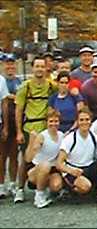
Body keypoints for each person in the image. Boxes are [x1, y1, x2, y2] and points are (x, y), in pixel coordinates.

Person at [56, 108, 97, 203]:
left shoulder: (94, 136)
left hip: (89, 167)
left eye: (87, 119)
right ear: (77, 122)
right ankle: (70, 190)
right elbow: (59, 163)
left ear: (91, 121)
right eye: (81, 120)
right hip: (73, 170)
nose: (84, 122)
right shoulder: (70, 139)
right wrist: (71, 171)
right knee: (85, 187)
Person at [14, 56, 57, 203]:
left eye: (42, 66)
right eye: (37, 66)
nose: (39, 69)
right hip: (29, 128)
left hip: (46, 129)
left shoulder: (51, 86)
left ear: (46, 68)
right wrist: (19, 131)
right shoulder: (25, 87)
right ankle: (19, 189)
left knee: (46, 160)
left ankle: (42, 188)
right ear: (32, 68)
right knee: (25, 160)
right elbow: (19, 110)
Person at [25, 110, 64, 208]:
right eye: (51, 121)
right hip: (37, 169)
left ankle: (46, 189)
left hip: (52, 169)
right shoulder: (42, 136)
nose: (53, 124)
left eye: (56, 121)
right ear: (46, 122)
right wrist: (32, 142)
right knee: (45, 165)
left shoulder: (61, 135)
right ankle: (39, 196)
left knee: (56, 186)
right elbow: (28, 158)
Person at [0, 54, 21, 198]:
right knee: (2, 156)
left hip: (17, 122)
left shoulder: (21, 81)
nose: (10, 67)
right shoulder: (1, 81)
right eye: (7, 64)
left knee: (14, 155)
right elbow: (5, 101)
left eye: (12, 64)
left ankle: (13, 183)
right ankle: (1, 185)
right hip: (4, 121)